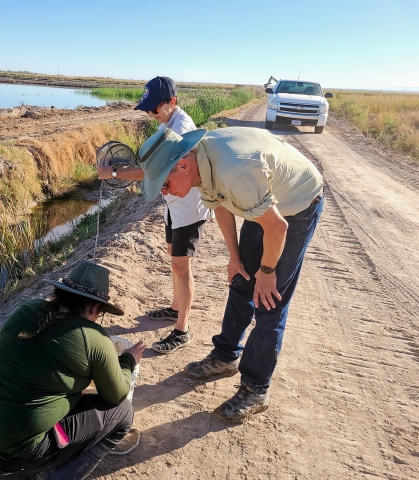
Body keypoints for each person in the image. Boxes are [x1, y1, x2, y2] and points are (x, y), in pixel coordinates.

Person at [136, 126, 324, 423]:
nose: (165, 193)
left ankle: (256, 388)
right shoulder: (199, 164)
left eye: (164, 184)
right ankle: (225, 357)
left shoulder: (234, 173)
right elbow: (222, 206)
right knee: (240, 280)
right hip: (262, 195)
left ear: (182, 165)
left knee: (269, 299)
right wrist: (235, 258)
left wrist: (267, 271)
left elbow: (277, 228)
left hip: (296, 204)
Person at [0, 260, 145, 479]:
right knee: (123, 413)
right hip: (16, 454)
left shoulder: (25, 310)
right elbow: (116, 394)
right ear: (95, 308)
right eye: (100, 313)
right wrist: (127, 361)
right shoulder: (94, 337)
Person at [97, 76, 209, 355]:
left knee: (182, 268)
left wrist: (113, 173)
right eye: (147, 108)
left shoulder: (180, 129)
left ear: (172, 102)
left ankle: (181, 330)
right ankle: (174, 308)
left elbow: (150, 172)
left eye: (155, 108)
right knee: (174, 258)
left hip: (188, 208)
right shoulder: (167, 123)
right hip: (174, 205)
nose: (150, 113)